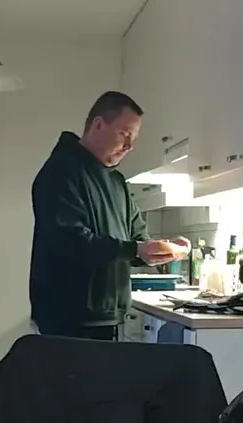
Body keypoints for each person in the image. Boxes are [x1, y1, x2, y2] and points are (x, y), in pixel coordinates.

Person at [29, 91, 187, 340]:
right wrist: (135, 249)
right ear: (98, 125)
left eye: (133, 138)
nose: (129, 146)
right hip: (69, 319)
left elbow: (135, 238)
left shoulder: (116, 182)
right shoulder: (60, 171)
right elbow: (71, 242)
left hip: (108, 316)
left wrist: (160, 250)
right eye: (124, 134)